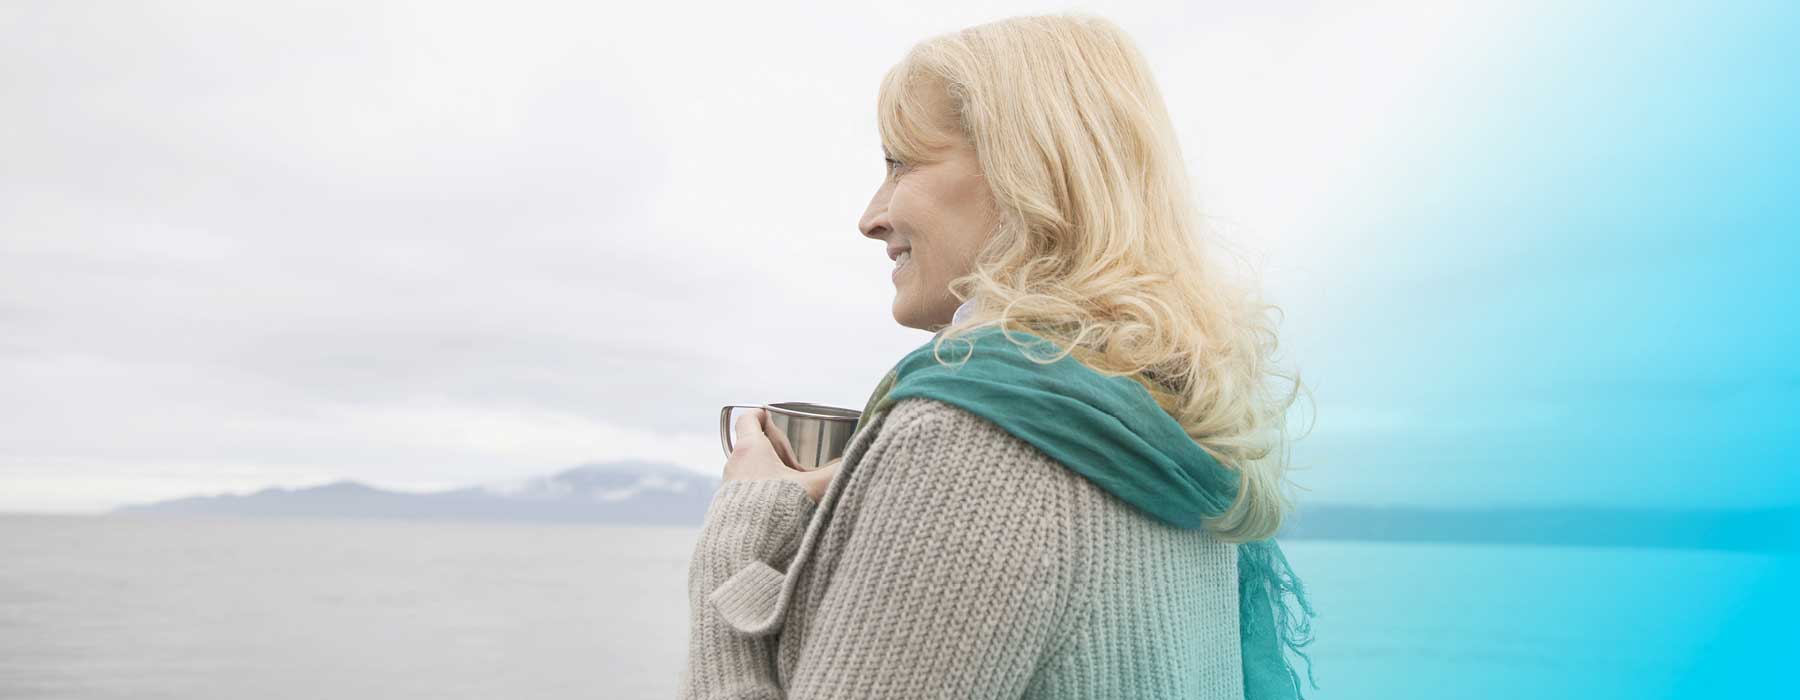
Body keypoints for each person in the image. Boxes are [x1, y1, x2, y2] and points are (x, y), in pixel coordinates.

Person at [680, 12, 1316, 699]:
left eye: (901, 163)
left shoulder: (969, 442)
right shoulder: (1174, 429)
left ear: (1027, 171)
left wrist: (735, 541)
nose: (871, 216)